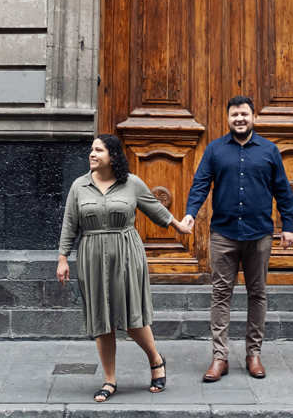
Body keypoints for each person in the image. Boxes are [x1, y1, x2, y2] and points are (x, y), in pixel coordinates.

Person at [57, 133, 193, 403]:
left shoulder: (131, 183)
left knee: (131, 314)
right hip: (92, 255)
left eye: (99, 150)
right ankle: (109, 380)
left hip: (127, 253)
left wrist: (179, 225)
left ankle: (156, 359)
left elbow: (155, 208)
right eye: (92, 149)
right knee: (101, 317)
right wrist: (63, 258)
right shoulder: (79, 185)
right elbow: (70, 222)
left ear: (113, 156)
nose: (92, 154)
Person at [180, 95, 293, 382]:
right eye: (234, 115)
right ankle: (220, 358)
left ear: (254, 117)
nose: (239, 119)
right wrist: (191, 213)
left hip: (259, 234)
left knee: (257, 293)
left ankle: (253, 354)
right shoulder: (215, 149)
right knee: (221, 294)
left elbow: (283, 190)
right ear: (228, 118)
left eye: (244, 114)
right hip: (224, 233)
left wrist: (288, 225)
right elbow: (200, 184)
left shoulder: (269, 150)